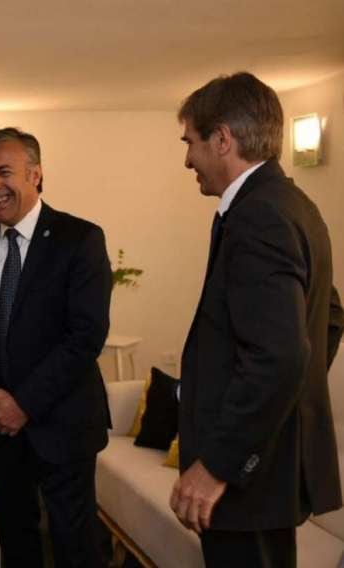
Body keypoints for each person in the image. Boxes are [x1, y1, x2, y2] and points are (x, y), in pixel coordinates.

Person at [170, 71, 344, 567]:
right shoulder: (292, 204)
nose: (187, 159)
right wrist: (285, 400)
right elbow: (329, 318)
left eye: (191, 142)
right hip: (266, 469)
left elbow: (281, 355)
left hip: (246, 482)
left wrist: (218, 465)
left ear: (222, 139)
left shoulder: (257, 215)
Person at [0, 127, 112, 567]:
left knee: (75, 547)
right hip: (0, 426)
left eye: (4, 172)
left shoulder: (81, 239)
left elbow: (85, 336)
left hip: (65, 424)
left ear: (35, 175)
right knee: (15, 541)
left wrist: (24, 403)